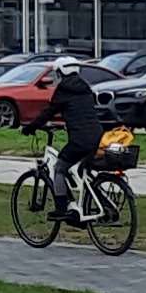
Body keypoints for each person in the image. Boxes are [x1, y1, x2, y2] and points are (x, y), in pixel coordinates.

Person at [43, 53, 107, 216]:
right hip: (97, 136)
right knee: (81, 171)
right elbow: (80, 111)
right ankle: (101, 204)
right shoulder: (86, 88)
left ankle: (61, 209)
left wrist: (30, 127)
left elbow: (49, 111)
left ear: (60, 73)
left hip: (80, 140)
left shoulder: (63, 90)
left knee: (59, 168)